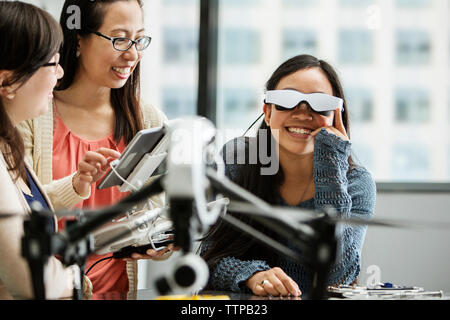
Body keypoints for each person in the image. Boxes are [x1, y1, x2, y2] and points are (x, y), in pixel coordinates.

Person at [18, 0, 171, 295]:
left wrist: (162, 241)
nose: (132, 54)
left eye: (139, 39)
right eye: (119, 39)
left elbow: (161, 214)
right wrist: (75, 184)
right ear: (78, 39)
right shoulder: (31, 116)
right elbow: (18, 216)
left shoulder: (147, 120)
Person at [200, 54, 376, 297]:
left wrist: (332, 164)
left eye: (320, 103)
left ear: (337, 115)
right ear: (268, 112)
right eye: (286, 99)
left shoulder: (357, 183)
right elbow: (206, 262)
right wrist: (253, 275)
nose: (303, 112)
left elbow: (339, 277)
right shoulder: (237, 161)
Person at [0, 1, 92, 299]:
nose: (61, 73)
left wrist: (75, 185)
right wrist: (73, 278)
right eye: (53, 62)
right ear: (7, 81)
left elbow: (22, 210)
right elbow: (30, 279)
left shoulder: (8, 141)